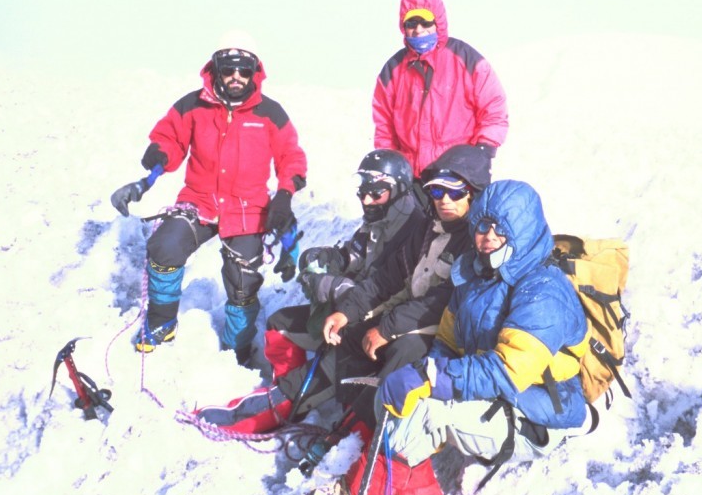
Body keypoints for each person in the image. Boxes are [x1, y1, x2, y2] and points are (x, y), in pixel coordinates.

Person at [193, 144, 491, 443]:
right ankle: (294, 403)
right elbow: (386, 277)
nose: (444, 200)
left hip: (428, 333)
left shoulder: (469, 240)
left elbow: (441, 301)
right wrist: (345, 307)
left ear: (473, 194)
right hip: (394, 317)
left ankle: (353, 439)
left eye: (454, 192)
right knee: (300, 330)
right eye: (437, 192)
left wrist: (380, 324)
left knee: (375, 359)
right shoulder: (429, 228)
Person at [340, 180, 591, 495]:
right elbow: (447, 341)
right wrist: (426, 372)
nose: (487, 236)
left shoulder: (544, 293)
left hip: (536, 411)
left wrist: (431, 379)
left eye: (501, 228)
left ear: (524, 229)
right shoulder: (475, 275)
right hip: (497, 397)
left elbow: (505, 372)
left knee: (428, 411)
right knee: (413, 400)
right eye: (482, 225)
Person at [110, 33, 307, 364]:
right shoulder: (193, 105)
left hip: (247, 209)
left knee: (243, 282)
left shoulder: (270, 113)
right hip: (198, 201)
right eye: (228, 69)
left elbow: (292, 157)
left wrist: (285, 195)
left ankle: (238, 345)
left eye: (244, 70)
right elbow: (170, 138)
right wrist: (159, 155)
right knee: (165, 246)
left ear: (255, 72)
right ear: (215, 69)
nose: (235, 77)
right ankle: (160, 325)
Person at [264, 149, 426, 393]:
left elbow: (395, 291)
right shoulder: (377, 220)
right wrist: (326, 259)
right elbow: (353, 256)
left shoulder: (414, 232)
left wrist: (338, 289)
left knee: (331, 368)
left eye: (376, 193)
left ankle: (289, 398)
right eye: (363, 191)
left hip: (370, 324)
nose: (366, 200)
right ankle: (287, 393)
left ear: (399, 190)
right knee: (278, 325)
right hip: (347, 310)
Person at [372, 0, 508, 182]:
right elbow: (384, 126)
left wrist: (482, 152)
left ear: (438, 22)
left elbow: (494, 109)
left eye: (425, 22)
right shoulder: (393, 70)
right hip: (411, 177)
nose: (418, 30)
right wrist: (391, 165)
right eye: (411, 23)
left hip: (459, 176)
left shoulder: (466, 60)